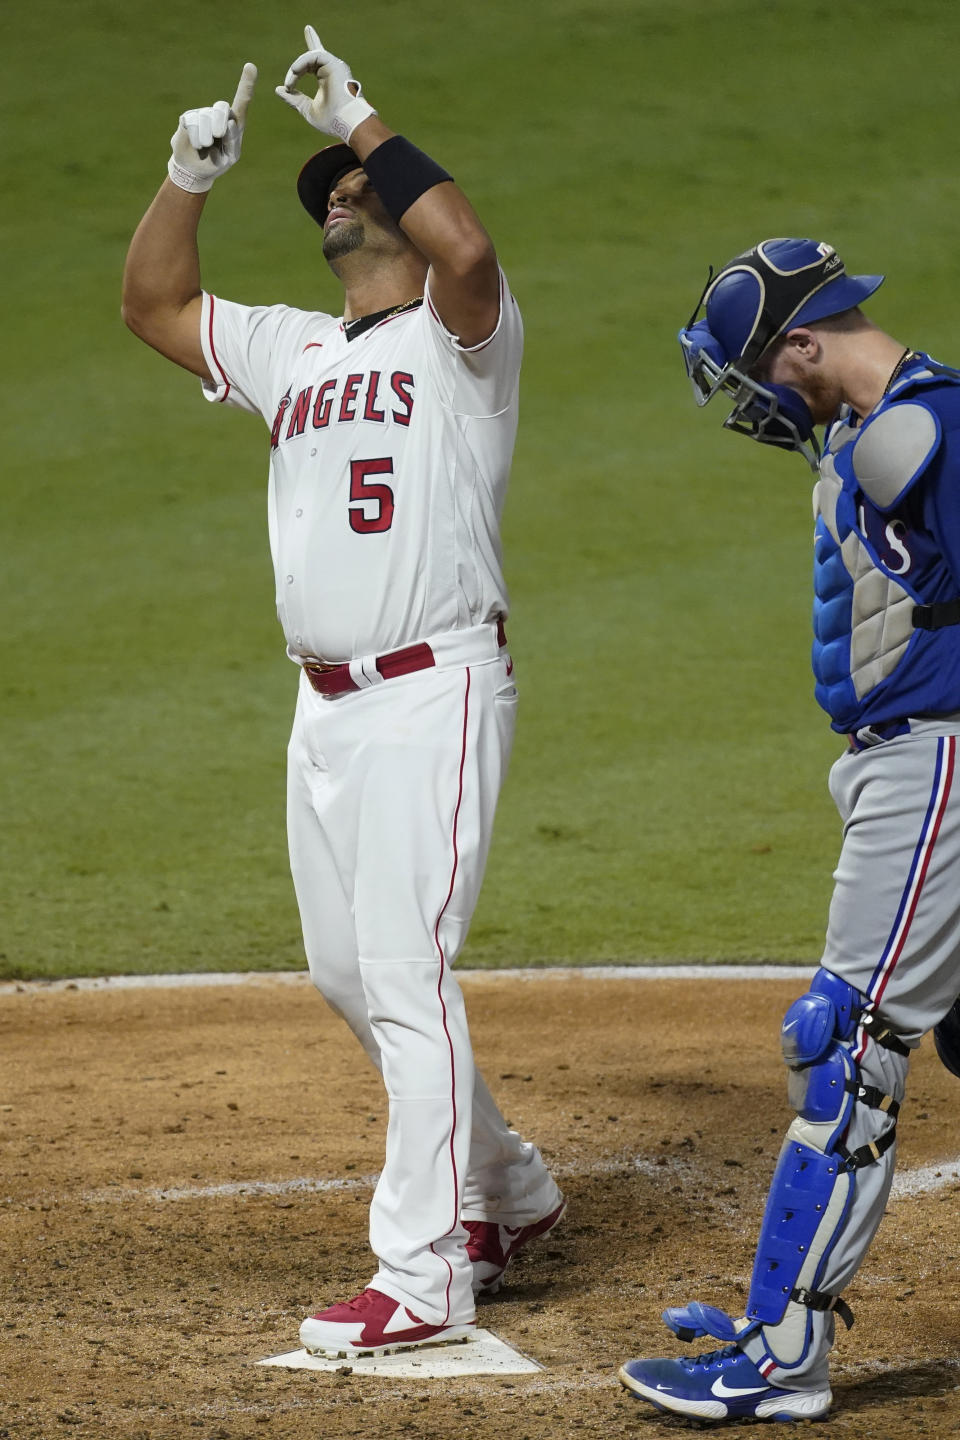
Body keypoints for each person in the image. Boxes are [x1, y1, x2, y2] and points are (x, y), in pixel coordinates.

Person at [121, 25, 564, 1360]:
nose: (342, 197)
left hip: (436, 689)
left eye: (358, 186)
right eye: (325, 190)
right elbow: (152, 305)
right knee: (345, 972)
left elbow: (472, 249)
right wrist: (187, 174)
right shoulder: (290, 349)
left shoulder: (462, 342)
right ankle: (511, 1191)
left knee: (407, 971)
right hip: (326, 709)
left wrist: (366, 120)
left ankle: (424, 1274)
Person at [619, 238, 960, 1422]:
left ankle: (780, 1358)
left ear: (803, 344)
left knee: (844, 1045)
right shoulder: (886, 439)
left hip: (937, 766)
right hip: (916, 761)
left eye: (759, 372)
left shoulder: (925, 431)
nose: (756, 401)